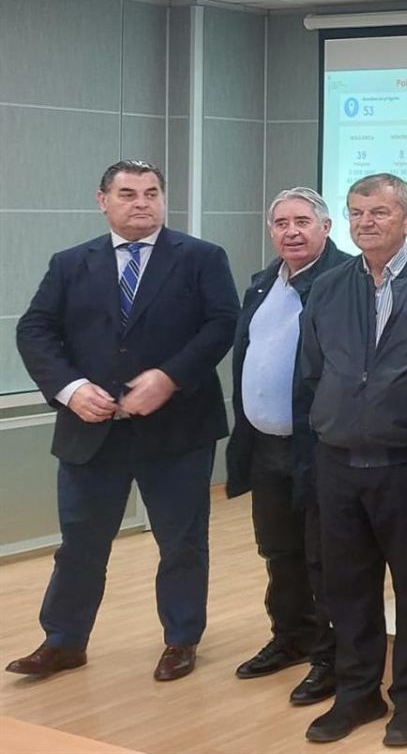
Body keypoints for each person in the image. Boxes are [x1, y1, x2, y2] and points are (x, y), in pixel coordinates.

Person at [10, 160, 238, 683]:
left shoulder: (201, 258)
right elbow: (35, 331)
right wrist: (69, 390)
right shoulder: (71, 263)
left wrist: (170, 377)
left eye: (152, 192)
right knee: (80, 545)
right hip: (91, 429)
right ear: (103, 200)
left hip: (177, 429)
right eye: (129, 193)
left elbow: (222, 324)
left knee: (181, 542)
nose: (142, 202)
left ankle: (181, 639)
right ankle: (64, 642)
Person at [296, 173, 407, 747]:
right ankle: (357, 692)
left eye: (380, 213)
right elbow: (313, 369)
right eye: (357, 212)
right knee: (348, 587)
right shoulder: (329, 286)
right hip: (338, 463)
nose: (367, 222)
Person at [223, 187, 350, 707]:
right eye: (280, 223)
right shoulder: (261, 283)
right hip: (265, 446)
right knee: (278, 551)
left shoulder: (343, 282)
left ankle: (330, 655)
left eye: (302, 221)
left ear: (325, 228)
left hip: (317, 448)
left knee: (323, 557)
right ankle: (290, 635)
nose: (290, 231)